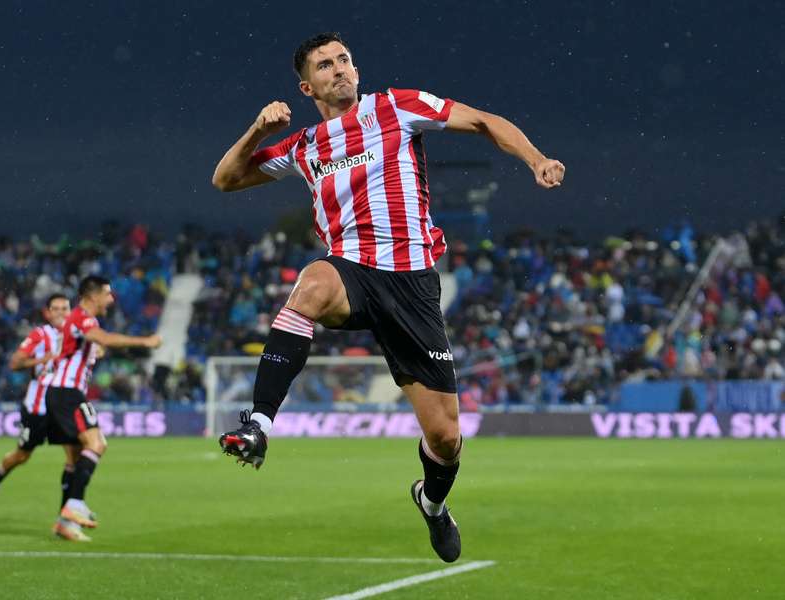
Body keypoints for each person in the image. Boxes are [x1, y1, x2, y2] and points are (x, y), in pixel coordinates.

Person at [212, 32, 565, 562]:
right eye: (326, 65)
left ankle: (433, 502)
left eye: (345, 60)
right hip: (351, 272)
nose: (340, 69)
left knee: (445, 439)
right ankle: (260, 423)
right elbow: (225, 179)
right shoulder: (305, 147)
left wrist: (535, 158)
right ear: (307, 85)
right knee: (309, 284)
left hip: (412, 284)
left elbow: (486, 121)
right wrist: (257, 130)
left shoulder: (397, 107)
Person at [45, 275, 161, 541]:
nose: (111, 299)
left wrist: (93, 351)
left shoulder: (83, 321)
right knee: (97, 444)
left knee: (75, 458)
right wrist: (145, 342)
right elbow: (104, 339)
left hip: (62, 393)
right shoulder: (82, 317)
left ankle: (65, 522)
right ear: (92, 295)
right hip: (67, 393)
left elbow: (88, 345)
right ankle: (73, 505)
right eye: (107, 294)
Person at [0, 293, 69, 512]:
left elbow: (99, 348)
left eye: (65, 308)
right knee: (23, 454)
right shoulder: (40, 334)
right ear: (47, 313)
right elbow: (15, 362)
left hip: (64, 405)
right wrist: (43, 360)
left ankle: (69, 511)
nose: (60, 313)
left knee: (74, 453)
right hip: (37, 406)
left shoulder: (76, 333)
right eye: (56, 309)